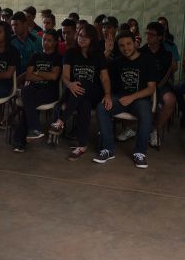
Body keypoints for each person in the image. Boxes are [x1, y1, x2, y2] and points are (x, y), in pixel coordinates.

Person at [94, 31, 157, 168]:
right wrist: (107, 51)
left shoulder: (148, 60)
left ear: (135, 43)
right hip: (120, 98)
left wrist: (132, 97)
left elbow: (151, 88)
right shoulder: (118, 61)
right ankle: (108, 149)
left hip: (140, 99)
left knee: (146, 114)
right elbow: (100, 69)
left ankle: (140, 152)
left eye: (128, 44)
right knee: (102, 108)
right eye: (121, 45)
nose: (125, 48)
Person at [49, 24, 110, 161]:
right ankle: (82, 146)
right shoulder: (71, 53)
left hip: (94, 92)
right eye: (80, 35)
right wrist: (70, 84)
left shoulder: (98, 55)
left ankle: (61, 120)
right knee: (84, 105)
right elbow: (65, 76)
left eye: (86, 37)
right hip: (75, 92)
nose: (82, 39)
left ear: (92, 39)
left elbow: (105, 78)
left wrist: (107, 94)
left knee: (83, 83)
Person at [12, 30, 62, 151]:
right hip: (34, 89)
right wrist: (45, 75)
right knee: (26, 91)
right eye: (44, 39)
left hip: (49, 91)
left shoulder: (57, 57)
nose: (45, 42)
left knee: (27, 105)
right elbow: (28, 76)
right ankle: (33, 129)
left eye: (49, 40)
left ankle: (20, 140)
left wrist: (37, 72)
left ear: (55, 42)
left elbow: (54, 76)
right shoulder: (36, 56)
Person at [140, 22, 176, 147]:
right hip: (143, 86)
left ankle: (155, 129)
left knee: (170, 100)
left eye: (152, 34)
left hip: (160, 86)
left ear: (160, 37)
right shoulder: (140, 52)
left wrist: (155, 89)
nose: (148, 36)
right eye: (147, 33)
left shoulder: (167, 55)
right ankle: (133, 128)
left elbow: (165, 76)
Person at [10, 11, 42, 83]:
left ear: (25, 24)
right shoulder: (10, 41)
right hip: (13, 76)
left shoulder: (36, 40)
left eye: (16, 25)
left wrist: (22, 77)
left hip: (32, 76)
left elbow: (39, 64)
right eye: (12, 25)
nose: (14, 28)